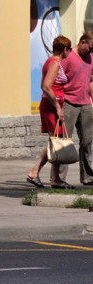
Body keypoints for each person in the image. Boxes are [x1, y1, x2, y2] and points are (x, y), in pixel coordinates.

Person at [27, 34, 71, 188]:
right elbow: (46, 86)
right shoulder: (54, 63)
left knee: (55, 141)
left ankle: (54, 179)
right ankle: (34, 172)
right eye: (68, 49)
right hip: (51, 106)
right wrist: (58, 107)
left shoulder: (51, 62)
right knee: (55, 141)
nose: (69, 52)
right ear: (64, 49)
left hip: (52, 105)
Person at [59, 32, 93, 186]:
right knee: (64, 141)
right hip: (69, 103)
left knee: (87, 141)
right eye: (90, 48)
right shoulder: (68, 57)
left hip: (85, 103)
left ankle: (87, 176)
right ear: (83, 42)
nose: (91, 51)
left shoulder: (90, 58)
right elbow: (56, 79)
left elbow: (90, 80)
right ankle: (59, 179)